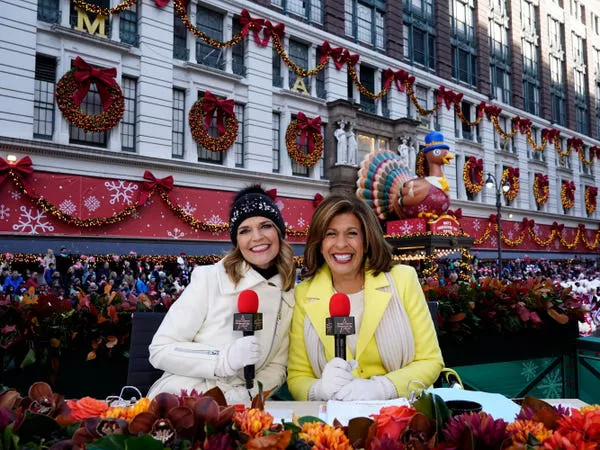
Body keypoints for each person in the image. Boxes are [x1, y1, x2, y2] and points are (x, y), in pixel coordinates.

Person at [287, 194, 443, 401]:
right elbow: (297, 378)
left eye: (352, 233)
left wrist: (382, 388)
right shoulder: (303, 293)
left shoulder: (403, 279)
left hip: (399, 415)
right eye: (331, 234)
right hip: (334, 422)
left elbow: (430, 361)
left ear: (367, 240)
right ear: (320, 243)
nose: (341, 244)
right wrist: (320, 389)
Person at [148, 186, 296, 403]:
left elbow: (277, 366)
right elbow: (160, 349)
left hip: (244, 404)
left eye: (265, 226)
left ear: (279, 232)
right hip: (186, 397)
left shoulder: (288, 292)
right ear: (237, 240)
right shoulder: (209, 279)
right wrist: (221, 360)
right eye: (244, 230)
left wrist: (245, 395)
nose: (256, 237)